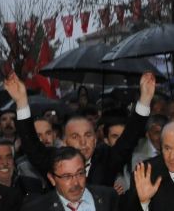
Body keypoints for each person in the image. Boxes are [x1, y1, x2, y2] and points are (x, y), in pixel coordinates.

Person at [9, 72, 154, 187]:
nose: (83, 142)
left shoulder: (106, 159)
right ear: (64, 141)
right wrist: (21, 102)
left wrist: (145, 100)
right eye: (75, 136)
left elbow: (129, 138)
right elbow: (32, 146)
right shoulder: (54, 160)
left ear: (95, 139)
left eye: (88, 135)